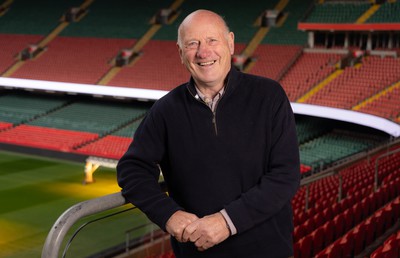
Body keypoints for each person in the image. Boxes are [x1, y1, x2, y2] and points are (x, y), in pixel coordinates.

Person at [117, 9, 300, 258]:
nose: (204, 52)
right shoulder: (165, 110)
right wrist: (167, 213)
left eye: (212, 40)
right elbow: (132, 169)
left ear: (231, 43)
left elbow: (285, 175)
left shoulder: (269, 96)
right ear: (182, 54)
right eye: (193, 44)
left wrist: (226, 222)